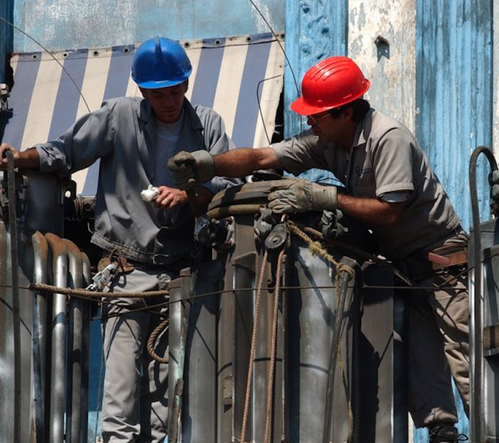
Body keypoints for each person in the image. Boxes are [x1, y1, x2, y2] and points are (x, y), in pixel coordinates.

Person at [168, 56, 470, 442]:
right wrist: (205, 164)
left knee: (467, 363)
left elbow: (390, 212)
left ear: (344, 112)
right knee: (421, 368)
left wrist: (324, 197)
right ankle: (443, 435)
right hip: (404, 269)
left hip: (442, 263)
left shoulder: (387, 137)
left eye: (317, 115)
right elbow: (262, 157)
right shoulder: (329, 143)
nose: (309, 122)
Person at [0, 37, 239, 442]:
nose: (170, 100)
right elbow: (65, 151)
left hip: (184, 277)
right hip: (126, 275)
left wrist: (190, 194)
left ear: (187, 85)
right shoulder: (119, 115)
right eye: (159, 93)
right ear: (143, 91)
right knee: (120, 400)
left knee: (166, 405)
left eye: (176, 90)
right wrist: (21, 158)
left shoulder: (209, 125)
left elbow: (230, 184)